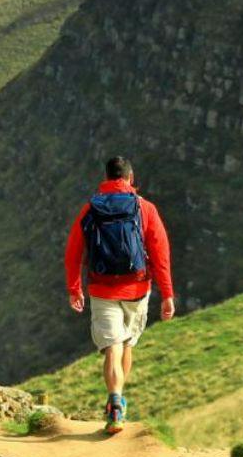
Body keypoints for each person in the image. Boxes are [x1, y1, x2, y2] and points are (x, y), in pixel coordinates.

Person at [64, 156, 175, 434]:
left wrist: (74, 288)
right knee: (125, 345)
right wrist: (167, 294)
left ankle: (114, 402)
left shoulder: (90, 208)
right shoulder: (145, 208)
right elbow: (160, 253)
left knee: (112, 346)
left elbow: (73, 251)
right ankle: (120, 400)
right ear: (130, 178)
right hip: (137, 289)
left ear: (106, 177)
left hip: (101, 288)